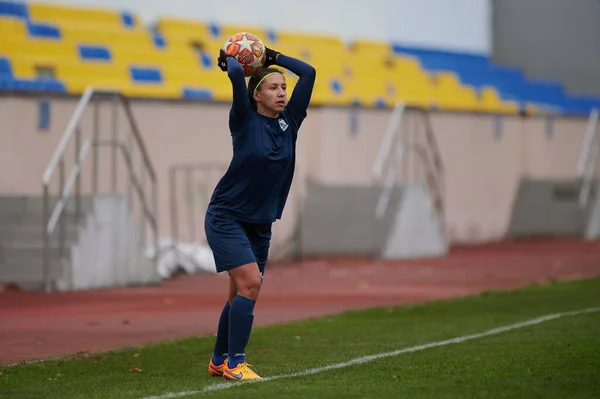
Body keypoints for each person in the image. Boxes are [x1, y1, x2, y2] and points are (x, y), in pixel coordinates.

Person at [205, 44, 316, 381]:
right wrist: (234, 60)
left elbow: (308, 73)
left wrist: (271, 56)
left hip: (260, 224)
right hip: (226, 217)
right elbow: (237, 77)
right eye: (272, 87)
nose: (281, 92)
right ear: (257, 96)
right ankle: (236, 365)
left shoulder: (290, 121)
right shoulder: (243, 120)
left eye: (283, 87)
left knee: (239, 291)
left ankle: (218, 359)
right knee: (251, 284)